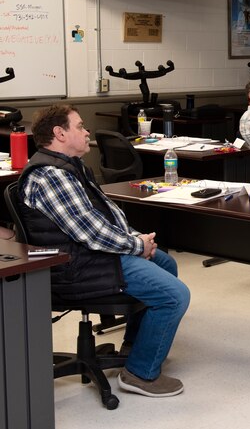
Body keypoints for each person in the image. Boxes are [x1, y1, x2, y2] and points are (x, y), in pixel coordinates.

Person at [18, 104, 190, 396]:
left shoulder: (72, 166)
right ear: (60, 133)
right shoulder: (51, 175)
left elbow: (106, 215)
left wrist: (138, 239)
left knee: (165, 264)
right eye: (80, 127)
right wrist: (138, 246)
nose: (87, 132)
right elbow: (91, 232)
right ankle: (140, 373)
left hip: (90, 255)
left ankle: (136, 347)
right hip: (76, 268)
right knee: (175, 295)